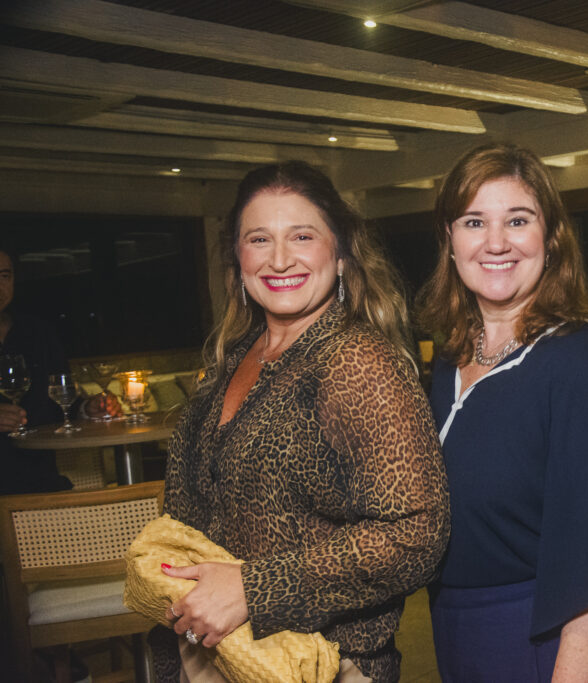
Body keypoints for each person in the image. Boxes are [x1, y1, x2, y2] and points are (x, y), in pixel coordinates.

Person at [153, 161, 450, 683]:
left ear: (339, 255)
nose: (280, 258)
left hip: (321, 666)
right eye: (259, 238)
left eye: (302, 236)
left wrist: (254, 589)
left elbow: (417, 533)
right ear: (238, 259)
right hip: (217, 658)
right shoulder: (234, 360)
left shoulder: (357, 363)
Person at [417, 143, 588, 682]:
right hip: (456, 636)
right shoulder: (449, 364)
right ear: (450, 240)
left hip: (548, 645)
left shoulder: (582, 365)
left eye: (518, 220)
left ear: (551, 239)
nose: (496, 242)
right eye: (474, 221)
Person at [0, 246, 119, 495]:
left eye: (4, 276)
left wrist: (88, 409)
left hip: (40, 485)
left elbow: (61, 401)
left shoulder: (39, 334)